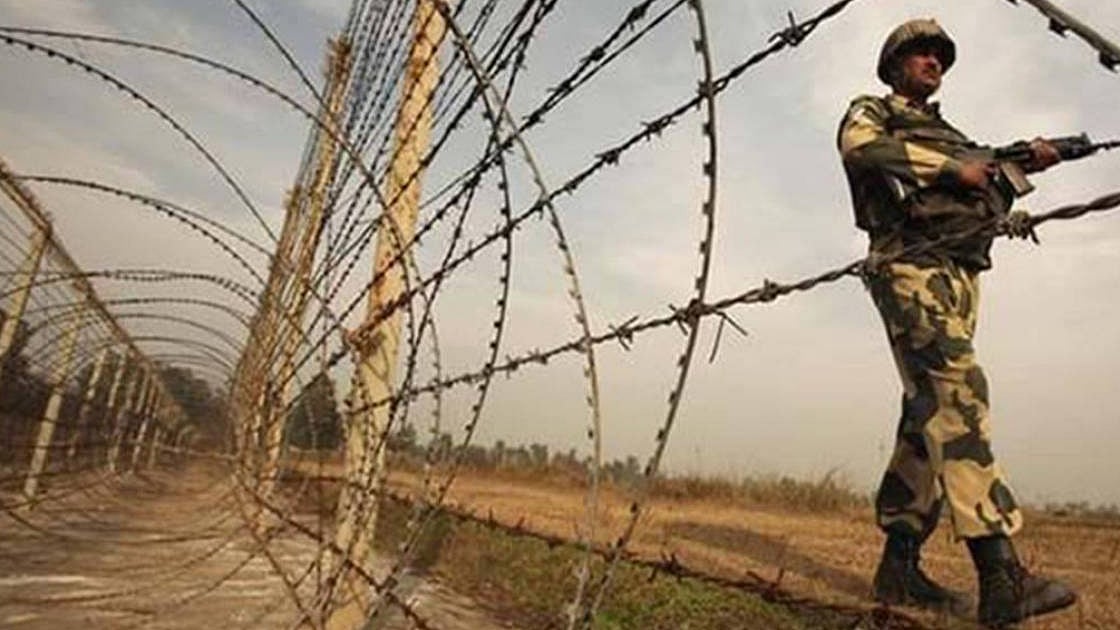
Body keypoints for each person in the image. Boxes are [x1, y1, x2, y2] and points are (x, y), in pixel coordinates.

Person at [837, 18, 1077, 627]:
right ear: (894, 65)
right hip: (908, 261)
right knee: (959, 393)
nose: (932, 62)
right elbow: (859, 147)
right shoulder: (874, 110)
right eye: (920, 53)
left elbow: (982, 196)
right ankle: (1001, 574)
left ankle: (899, 568)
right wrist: (953, 169)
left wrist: (1024, 166)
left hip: (961, 271)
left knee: (929, 413)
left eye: (939, 56)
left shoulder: (956, 136)